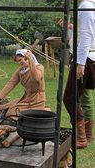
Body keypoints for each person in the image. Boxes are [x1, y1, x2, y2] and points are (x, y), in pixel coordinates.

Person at [63, 0, 95, 149]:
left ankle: (81, 138)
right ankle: (87, 135)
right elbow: (88, 29)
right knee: (77, 97)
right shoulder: (89, 6)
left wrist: (80, 63)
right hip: (89, 58)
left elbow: (87, 35)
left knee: (69, 98)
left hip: (86, 59)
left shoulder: (87, 6)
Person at [0, 49, 46, 120]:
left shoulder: (39, 67)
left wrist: (31, 60)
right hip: (27, 98)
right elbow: (11, 83)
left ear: (26, 58)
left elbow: (36, 78)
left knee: (11, 112)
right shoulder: (21, 70)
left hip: (37, 100)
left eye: (20, 60)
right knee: (2, 107)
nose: (19, 63)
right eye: (18, 61)